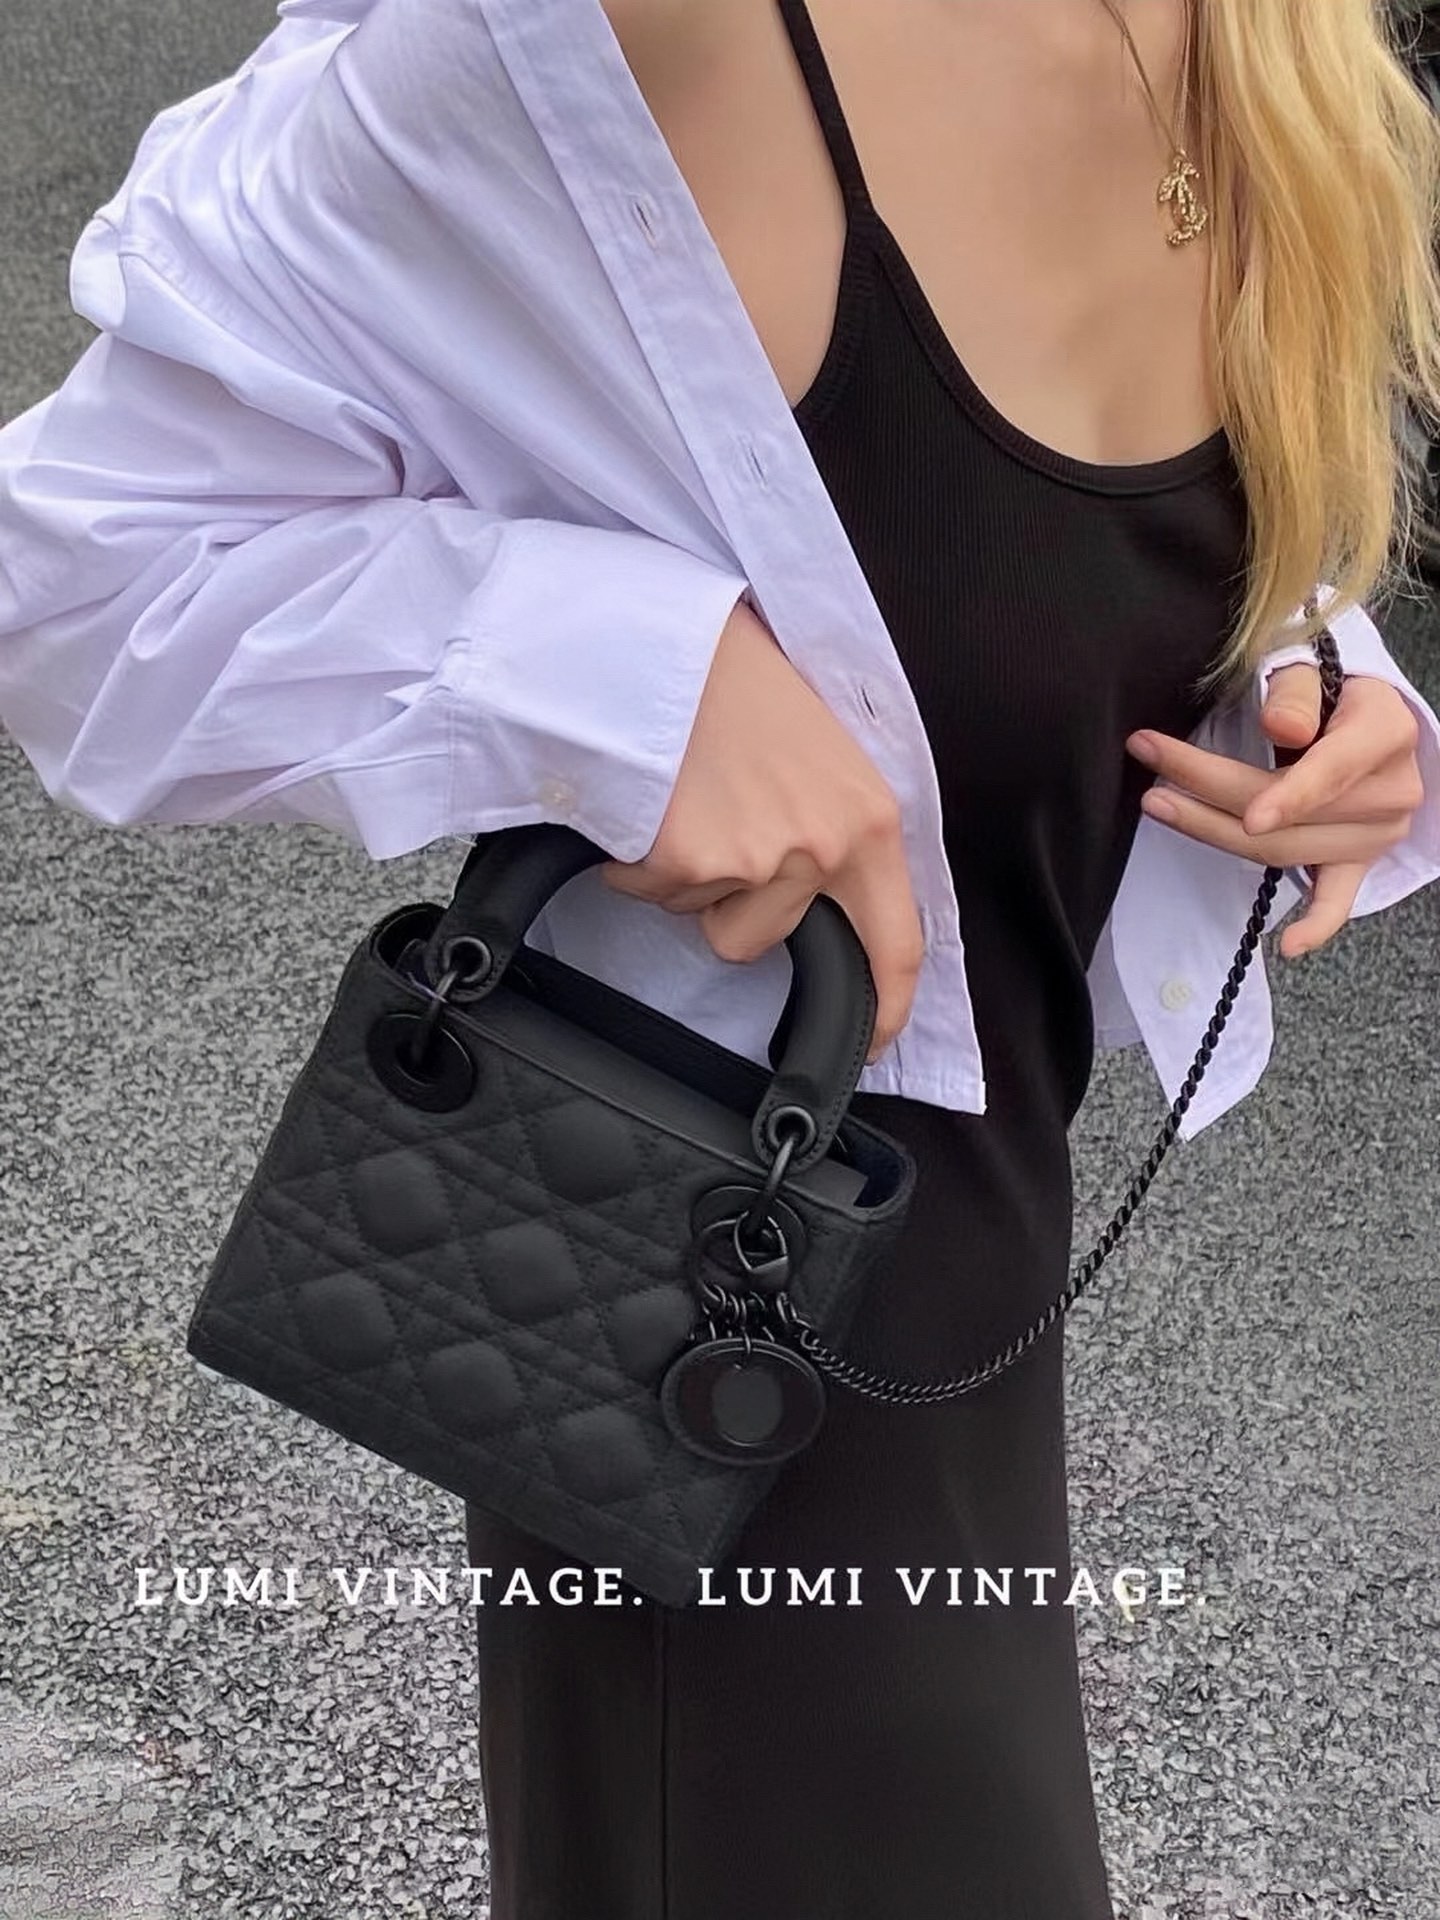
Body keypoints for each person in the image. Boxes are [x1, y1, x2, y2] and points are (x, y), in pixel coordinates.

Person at [2, 0, 1439, 1912]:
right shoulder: (622, 37)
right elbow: (81, 571)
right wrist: (628, 678)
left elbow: (1044, 556)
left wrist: (1315, 678)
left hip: (956, 1306)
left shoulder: (1272, 47)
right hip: (706, 1360)